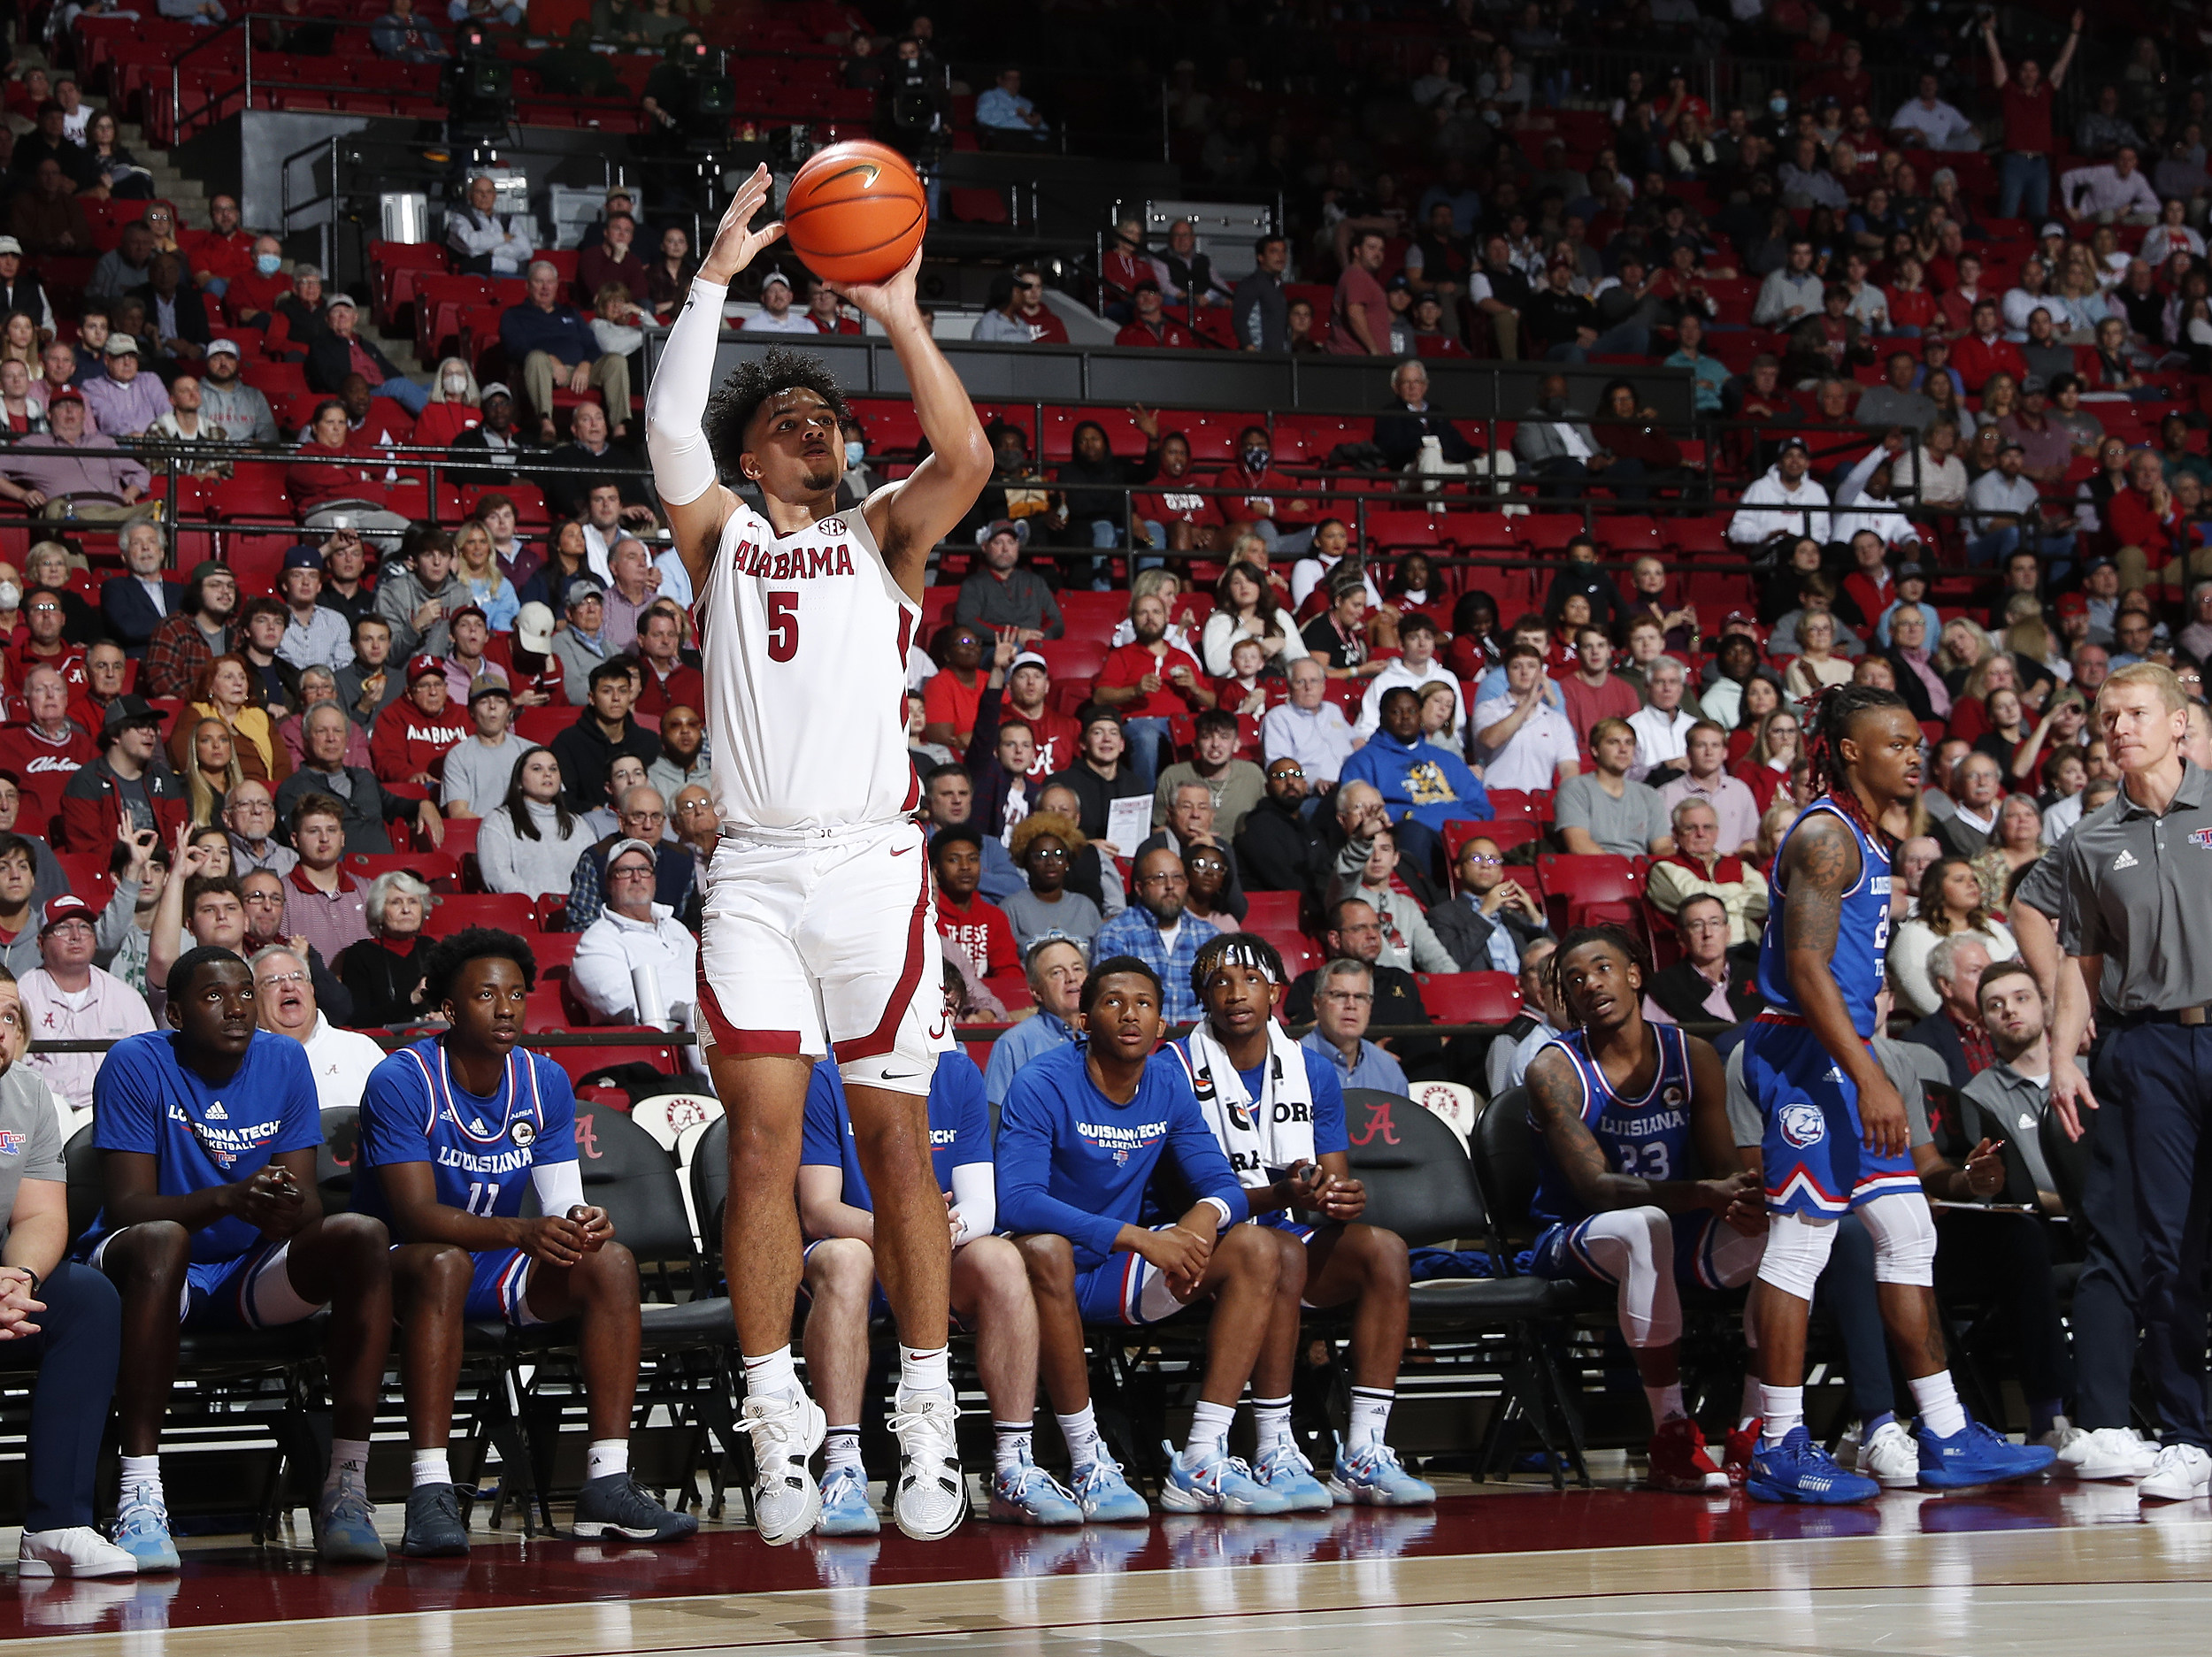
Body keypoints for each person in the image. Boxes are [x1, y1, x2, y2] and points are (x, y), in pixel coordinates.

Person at [645, 166, 994, 1546]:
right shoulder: (719, 537)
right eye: (792, 420)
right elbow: (670, 422)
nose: (819, 431)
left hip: (868, 868)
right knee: (765, 1140)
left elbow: (966, 460)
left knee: (898, 1137)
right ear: (754, 452)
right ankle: (778, 1409)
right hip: (754, 874)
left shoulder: (887, 536)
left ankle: (922, 1401)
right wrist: (716, 276)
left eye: (831, 420)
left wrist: (902, 316)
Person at [1738, 685, 2055, 1503]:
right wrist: (1873, 1069)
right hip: (1805, 1051)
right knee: (1802, 1245)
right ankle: (1777, 1443)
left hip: (1843, 1048)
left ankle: (1946, 1431)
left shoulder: (1874, 838)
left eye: (1920, 742)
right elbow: (1806, 971)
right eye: (1897, 742)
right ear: (1849, 749)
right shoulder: (1825, 836)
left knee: (1910, 1228)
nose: (1916, 754)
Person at [357, 927, 695, 1555]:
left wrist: (581, 1221)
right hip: (404, 1271)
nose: (507, 1006)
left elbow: (562, 1199)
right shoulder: (402, 1078)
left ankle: (606, 1482)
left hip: (494, 1266)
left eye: (516, 993)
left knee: (611, 1262)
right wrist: (522, 1229)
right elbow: (414, 1216)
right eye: (487, 994)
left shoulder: (543, 1079)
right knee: (443, 1263)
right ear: (450, 1009)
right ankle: (430, 1487)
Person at [82, 947, 397, 1568]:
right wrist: (229, 1196)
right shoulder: (134, 1062)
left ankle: (346, 1482)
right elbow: (126, 1208)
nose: (237, 1008)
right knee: (163, 1238)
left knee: (361, 1232)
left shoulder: (284, 1060)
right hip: (142, 1266)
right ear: (173, 1010)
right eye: (213, 996)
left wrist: (285, 1209)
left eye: (245, 994)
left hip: (242, 1271)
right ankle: (139, 1492)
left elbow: (305, 1202)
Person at [999, 958, 1285, 1517]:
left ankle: (1201, 1457)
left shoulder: (1168, 1083)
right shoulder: (1042, 1081)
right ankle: (1087, 1461)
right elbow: (1018, 1202)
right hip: (1037, 1277)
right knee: (1048, 1248)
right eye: (1112, 1002)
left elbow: (1223, 1184)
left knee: (1256, 1247)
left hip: (1112, 1275)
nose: (1130, 1015)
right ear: (1082, 1021)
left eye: (1144, 1004)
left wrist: (1202, 1216)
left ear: (1161, 1027)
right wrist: (1136, 1236)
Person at [1172, 933, 1433, 1503]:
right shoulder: (1173, 1068)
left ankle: (1364, 1451)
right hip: (1205, 1244)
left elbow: (1330, 1181)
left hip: (1286, 1233)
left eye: (1251, 981)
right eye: (1221, 982)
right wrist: (1283, 1192)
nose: (1237, 994)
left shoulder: (1312, 1071)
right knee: (1279, 1253)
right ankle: (1272, 1447)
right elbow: (1179, 1188)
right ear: (1203, 998)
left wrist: (1340, 1199)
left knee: (1384, 1249)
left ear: (1276, 993)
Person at [800, 1042, 1080, 1535]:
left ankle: (1013, 1466)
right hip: (854, 1240)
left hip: (932, 1248)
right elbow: (818, 1208)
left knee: (999, 1257)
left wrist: (936, 1230)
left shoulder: (957, 1071)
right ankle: (842, 1468)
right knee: (848, 1259)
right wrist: (905, 1228)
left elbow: (981, 1207)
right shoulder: (828, 1071)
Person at [2048, 664, 2212, 1500]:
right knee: (2167, 1246)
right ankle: (2189, 1435)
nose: (2118, 727)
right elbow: (2080, 958)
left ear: (2179, 724)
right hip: (2146, 1046)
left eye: (2136, 713)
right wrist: (2061, 1054)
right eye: (2108, 716)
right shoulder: (2088, 841)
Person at [1525, 925, 1763, 1489]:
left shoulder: (1692, 1054)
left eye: (1602, 968)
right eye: (1574, 979)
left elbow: (1721, 1170)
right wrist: (1704, 1194)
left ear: (1635, 974)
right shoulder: (1553, 1070)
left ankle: (1758, 1428)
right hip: (1575, 1234)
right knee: (1642, 1223)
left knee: (1782, 1233)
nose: (1589, 984)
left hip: (1679, 1228)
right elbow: (1597, 1189)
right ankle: (1671, 1434)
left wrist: (1747, 1198)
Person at [0, 962, 138, 1577]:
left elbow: (40, 1213)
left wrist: (19, 1278)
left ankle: (56, 1525)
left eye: (11, 1017)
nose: (3, 1029)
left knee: (86, 1296)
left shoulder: (27, 1095)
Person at [16, 893, 153, 1132]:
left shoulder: (126, 998)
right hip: (44, 1111)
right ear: (41, 942)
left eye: (84, 927)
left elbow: (148, 1065)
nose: (76, 936)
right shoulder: (21, 996)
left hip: (109, 1108)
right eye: (63, 928)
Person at [503, 260, 629, 443]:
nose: (545, 288)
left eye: (550, 282)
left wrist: (586, 365)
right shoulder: (514, 315)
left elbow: (592, 347)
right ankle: (546, 424)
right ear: (528, 285)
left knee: (616, 360)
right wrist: (550, 359)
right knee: (536, 358)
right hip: (542, 372)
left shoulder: (571, 313)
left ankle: (619, 428)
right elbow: (515, 348)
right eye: (539, 282)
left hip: (580, 372)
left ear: (556, 285)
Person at [1092, 847, 1217, 1024]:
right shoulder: (1116, 934)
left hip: (1199, 1039)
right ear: (1139, 888)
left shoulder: (1210, 936)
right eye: (1159, 878)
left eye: (1177, 878)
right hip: (1142, 1041)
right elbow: (1107, 1002)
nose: (1170, 886)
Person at [1647, 798, 1770, 946]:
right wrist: (1737, 889)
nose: (1700, 833)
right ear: (1675, 833)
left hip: (1750, 946)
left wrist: (1724, 904)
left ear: (1717, 832)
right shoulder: (1664, 869)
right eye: (1691, 828)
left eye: (1707, 827)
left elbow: (1763, 901)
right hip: (1697, 953)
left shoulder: (1738, 864)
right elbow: (1695, 904)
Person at [478, 748, 595, 900]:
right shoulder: (498, 821)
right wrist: (541, 903)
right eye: (537, 769)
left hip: (575, 912)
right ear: (519, 781)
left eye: (553, 769)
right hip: (525, 912)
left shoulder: (578, 824)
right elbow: (498, 875)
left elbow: (592, 872)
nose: (547, 774)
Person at [982, 936, 1084, 1109]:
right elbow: (994, 1116)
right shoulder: (1013, 1044)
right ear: (1036, 991)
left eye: (1077, 968)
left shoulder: (1106, 1036)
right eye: (1057, 972)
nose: (1072, 977)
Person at [1555, 720, 1673, 859]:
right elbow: (1578, 844)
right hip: (1595, 869)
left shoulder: (1649, 795)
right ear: (1595, 749)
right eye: (1613, 742)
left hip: (1640, 871)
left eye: (1629, 743)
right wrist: (1623, 871)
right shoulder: (1575, 788)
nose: (1623, 749)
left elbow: (1662, 846)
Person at [1471, 643, 1579, 793]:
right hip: (1497, 797)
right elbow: (1492, 740)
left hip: (1540, 802)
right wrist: (1528, 702)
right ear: (1506, 673)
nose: (1524, 672)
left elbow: (1569, 767)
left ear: (1541, 672)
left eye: (1531, 666)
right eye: (1516, 667)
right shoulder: (1488, 709)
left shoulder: (1556, 720)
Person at [334, 870, 434, 1027]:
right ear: (379, 911)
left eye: (413, 902)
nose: (406, 910)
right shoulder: (360, 954)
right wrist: (411, 1000)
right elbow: (359, 1018)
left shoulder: (431, 948)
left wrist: (442, 1013)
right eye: (396, 902)